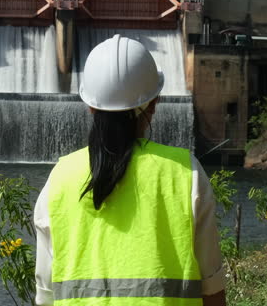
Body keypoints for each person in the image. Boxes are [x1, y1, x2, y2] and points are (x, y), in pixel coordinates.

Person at [34, 34, 226, 306]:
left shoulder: (60, 179)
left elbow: (45, 294)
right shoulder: (185, 173)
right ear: (154, 103)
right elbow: (213, 289)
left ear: (90, 106)